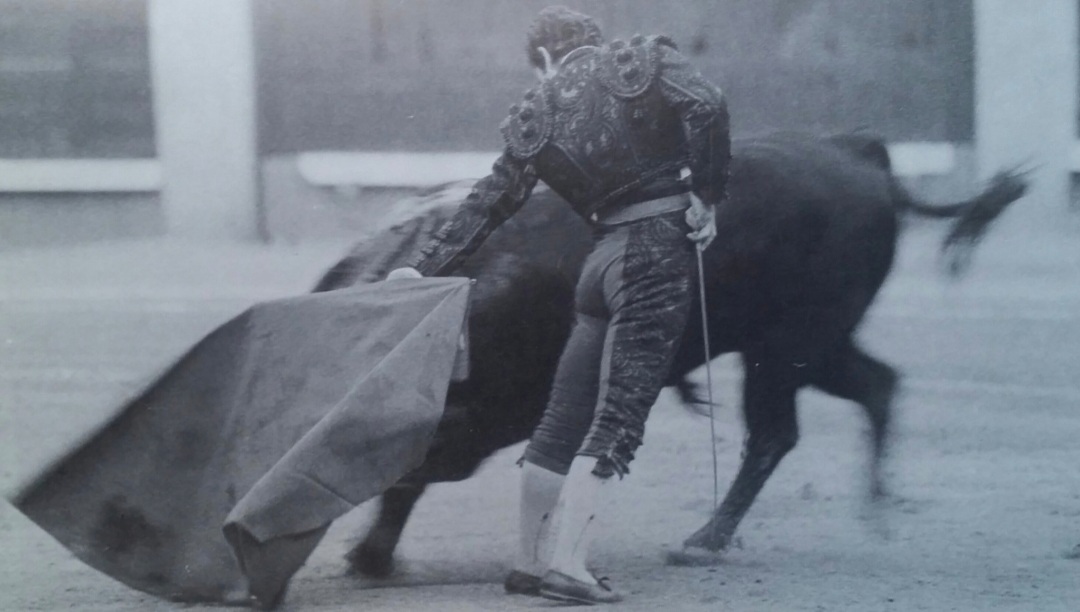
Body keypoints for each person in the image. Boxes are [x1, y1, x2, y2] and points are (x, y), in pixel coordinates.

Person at [388, 5, 730, 604]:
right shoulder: (642, 60)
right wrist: (706, 196)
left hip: (598, 266)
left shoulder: (536, 112)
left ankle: (529, 561)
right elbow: (707, 103)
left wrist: (421, 265)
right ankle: (568, 565)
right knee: (617, 417)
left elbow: (487, 204)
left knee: (561, 419)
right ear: (590, 42)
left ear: (544, 58)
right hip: (654, 255)